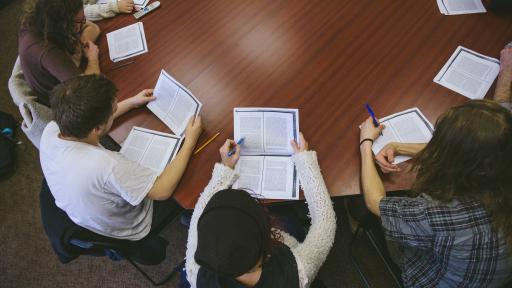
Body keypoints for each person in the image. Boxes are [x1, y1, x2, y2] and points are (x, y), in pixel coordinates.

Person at [358, 100, 512, 287]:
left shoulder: (439, 210)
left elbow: (375, 202)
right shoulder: (500, 162)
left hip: (436, 280)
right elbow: (463, 151)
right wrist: (398, 146)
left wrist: (366, 144)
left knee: (361, 208)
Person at [40, 74, 202, 243]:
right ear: (97, 128)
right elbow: (162, 191)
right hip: (131, 225)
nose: (117, 107)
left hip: (83, 208)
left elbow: (94, 122)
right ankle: (191, 216)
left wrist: (132, 102)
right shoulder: (106, 165)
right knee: (190, 186)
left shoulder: (51, 130)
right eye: (113, 110)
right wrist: (190, 141)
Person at [184, 134, 336, 288]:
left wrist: (225, 167)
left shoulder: (196, 272)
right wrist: (304, 161)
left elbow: (199, 215)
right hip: (288, 247)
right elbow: (325, 224)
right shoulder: (298, 272)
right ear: (266, 239)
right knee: (285, 213)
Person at [19, 0, 102, 106]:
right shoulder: (46, 51)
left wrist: (80, 46)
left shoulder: (43, 20)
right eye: (78, 22)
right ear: (62, 23)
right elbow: (90, 91)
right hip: (68, 104)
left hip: (73, 80)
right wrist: (93, 59)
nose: (82, 24)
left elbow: (93, 28)